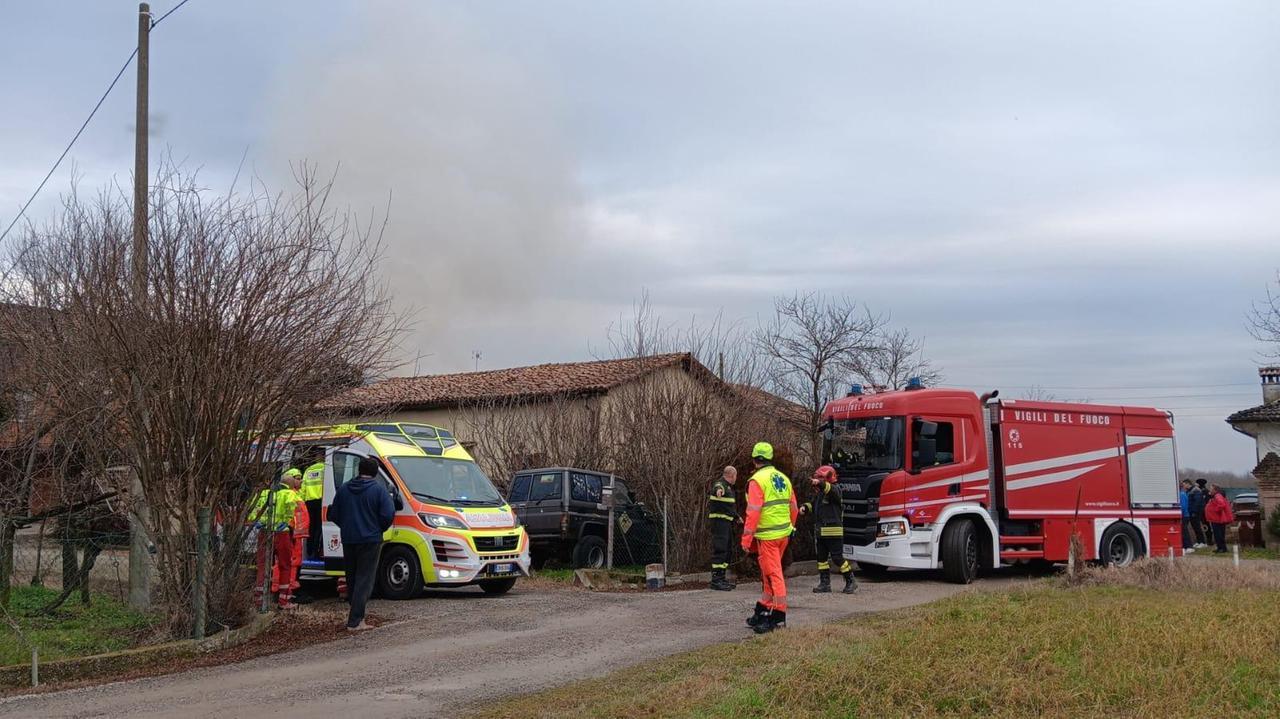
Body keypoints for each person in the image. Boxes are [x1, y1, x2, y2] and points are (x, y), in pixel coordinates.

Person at [328, 455, 395, 631]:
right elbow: (388, 514)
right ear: (374, 473)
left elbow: (333, 514)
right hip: (370, 539)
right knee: (364, 579)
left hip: (349, 538)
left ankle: (356, 614)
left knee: (352, 577)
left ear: (359, 470)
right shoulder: (379, 491)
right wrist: (377, 528)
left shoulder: (344, 489)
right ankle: (356, 621)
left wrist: (347, 526)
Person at [741, 442, 797, 635]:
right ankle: (763, 608)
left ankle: (778, 616)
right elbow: (794, 508)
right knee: (768, 572)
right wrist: (791, 527)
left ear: (755, 459)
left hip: (768, 536)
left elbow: (753, 513)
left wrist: (746, 540)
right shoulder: (783, 478)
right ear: (770, 458)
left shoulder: (757, 480)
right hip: (783, 534)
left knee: (773, 574)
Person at [248, 472, 303, 609]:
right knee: (284, 566)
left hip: (264, 532)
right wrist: (288, 524)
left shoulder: (264, 494)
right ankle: (283, 601)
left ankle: (259, 600)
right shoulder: (290, 494)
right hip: (282, 533)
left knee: (262, 565)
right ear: (290, 484)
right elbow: (294, 514)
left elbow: (253, 511)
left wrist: (258, 521)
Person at [801, 465, 855, 594]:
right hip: (821, 532)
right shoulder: (819, 495)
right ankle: (825, 583)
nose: (816, 482)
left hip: (833, 532)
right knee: (821, 559)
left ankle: (850, 580)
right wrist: (805, 507)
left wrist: (819, 483)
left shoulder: (835, 490)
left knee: (837, 558)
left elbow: (828, 489)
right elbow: (813, 505)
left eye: (820, 479)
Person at [707, 466, 738, 591]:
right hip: (719, 523)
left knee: (727, 551)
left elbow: (728, 507)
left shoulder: (729, 487)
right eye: (736, 476)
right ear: (732, 475)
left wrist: (736, 517)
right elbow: (717, 488)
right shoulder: (721, 484)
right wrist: (719, 491)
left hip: (726, 522)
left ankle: (722, 577)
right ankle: (716, 580)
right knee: (720, 550)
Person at [300, 451, 326, 558]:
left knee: (311, 527)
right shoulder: (325, 469)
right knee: (320, 528)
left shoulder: (308, 470)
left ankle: (309, 551)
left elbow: (303, 489)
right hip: (321, 501)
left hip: (309, 502)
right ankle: (316, 551)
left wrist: (302, 503)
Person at [1204, 483, 1234, 554]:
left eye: (1211, 488)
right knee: (1219, 534)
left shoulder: (1217, 496)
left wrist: (1215, 510)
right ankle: (1221, 548)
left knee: (1218, 534)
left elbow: (1222, 504)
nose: (1210, 490)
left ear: (1215, 490)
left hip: (1217, 519)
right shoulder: (1215, 496)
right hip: (1216, 518)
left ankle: (1222, 548)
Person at [1186, 479, 1208, 548]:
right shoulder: (1189, 491)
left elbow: (1197, 502)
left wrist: (1195, 511)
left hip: (1196, 512)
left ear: (1188, 484)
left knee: (1197, 527)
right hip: (1191, 511)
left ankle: (1202, 542)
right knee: (1195, 527)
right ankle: (1199, 541)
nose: (1183, 486)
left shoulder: (1196, 490)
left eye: (1184, 484)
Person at [1178, 480, 1195, 554]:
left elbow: (1183, 507)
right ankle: (1185, 546)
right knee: (1182, 531)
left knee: (1185, 531)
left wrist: (1180, 516)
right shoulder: (1181, 494)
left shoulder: (1181, 494)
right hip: (1183, 515)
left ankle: (1189, 546)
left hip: (1184, 516)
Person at [1194, 478, 1211, 547]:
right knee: (1203, 526)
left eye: (1197, 483)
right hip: (1200, 511)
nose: (1195, 484)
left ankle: (1209, 540)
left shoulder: (1205, 491)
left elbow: (1206, 502)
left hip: (1204, 511)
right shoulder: (1199, 491)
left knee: (1206, 526)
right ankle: (1203, 540)